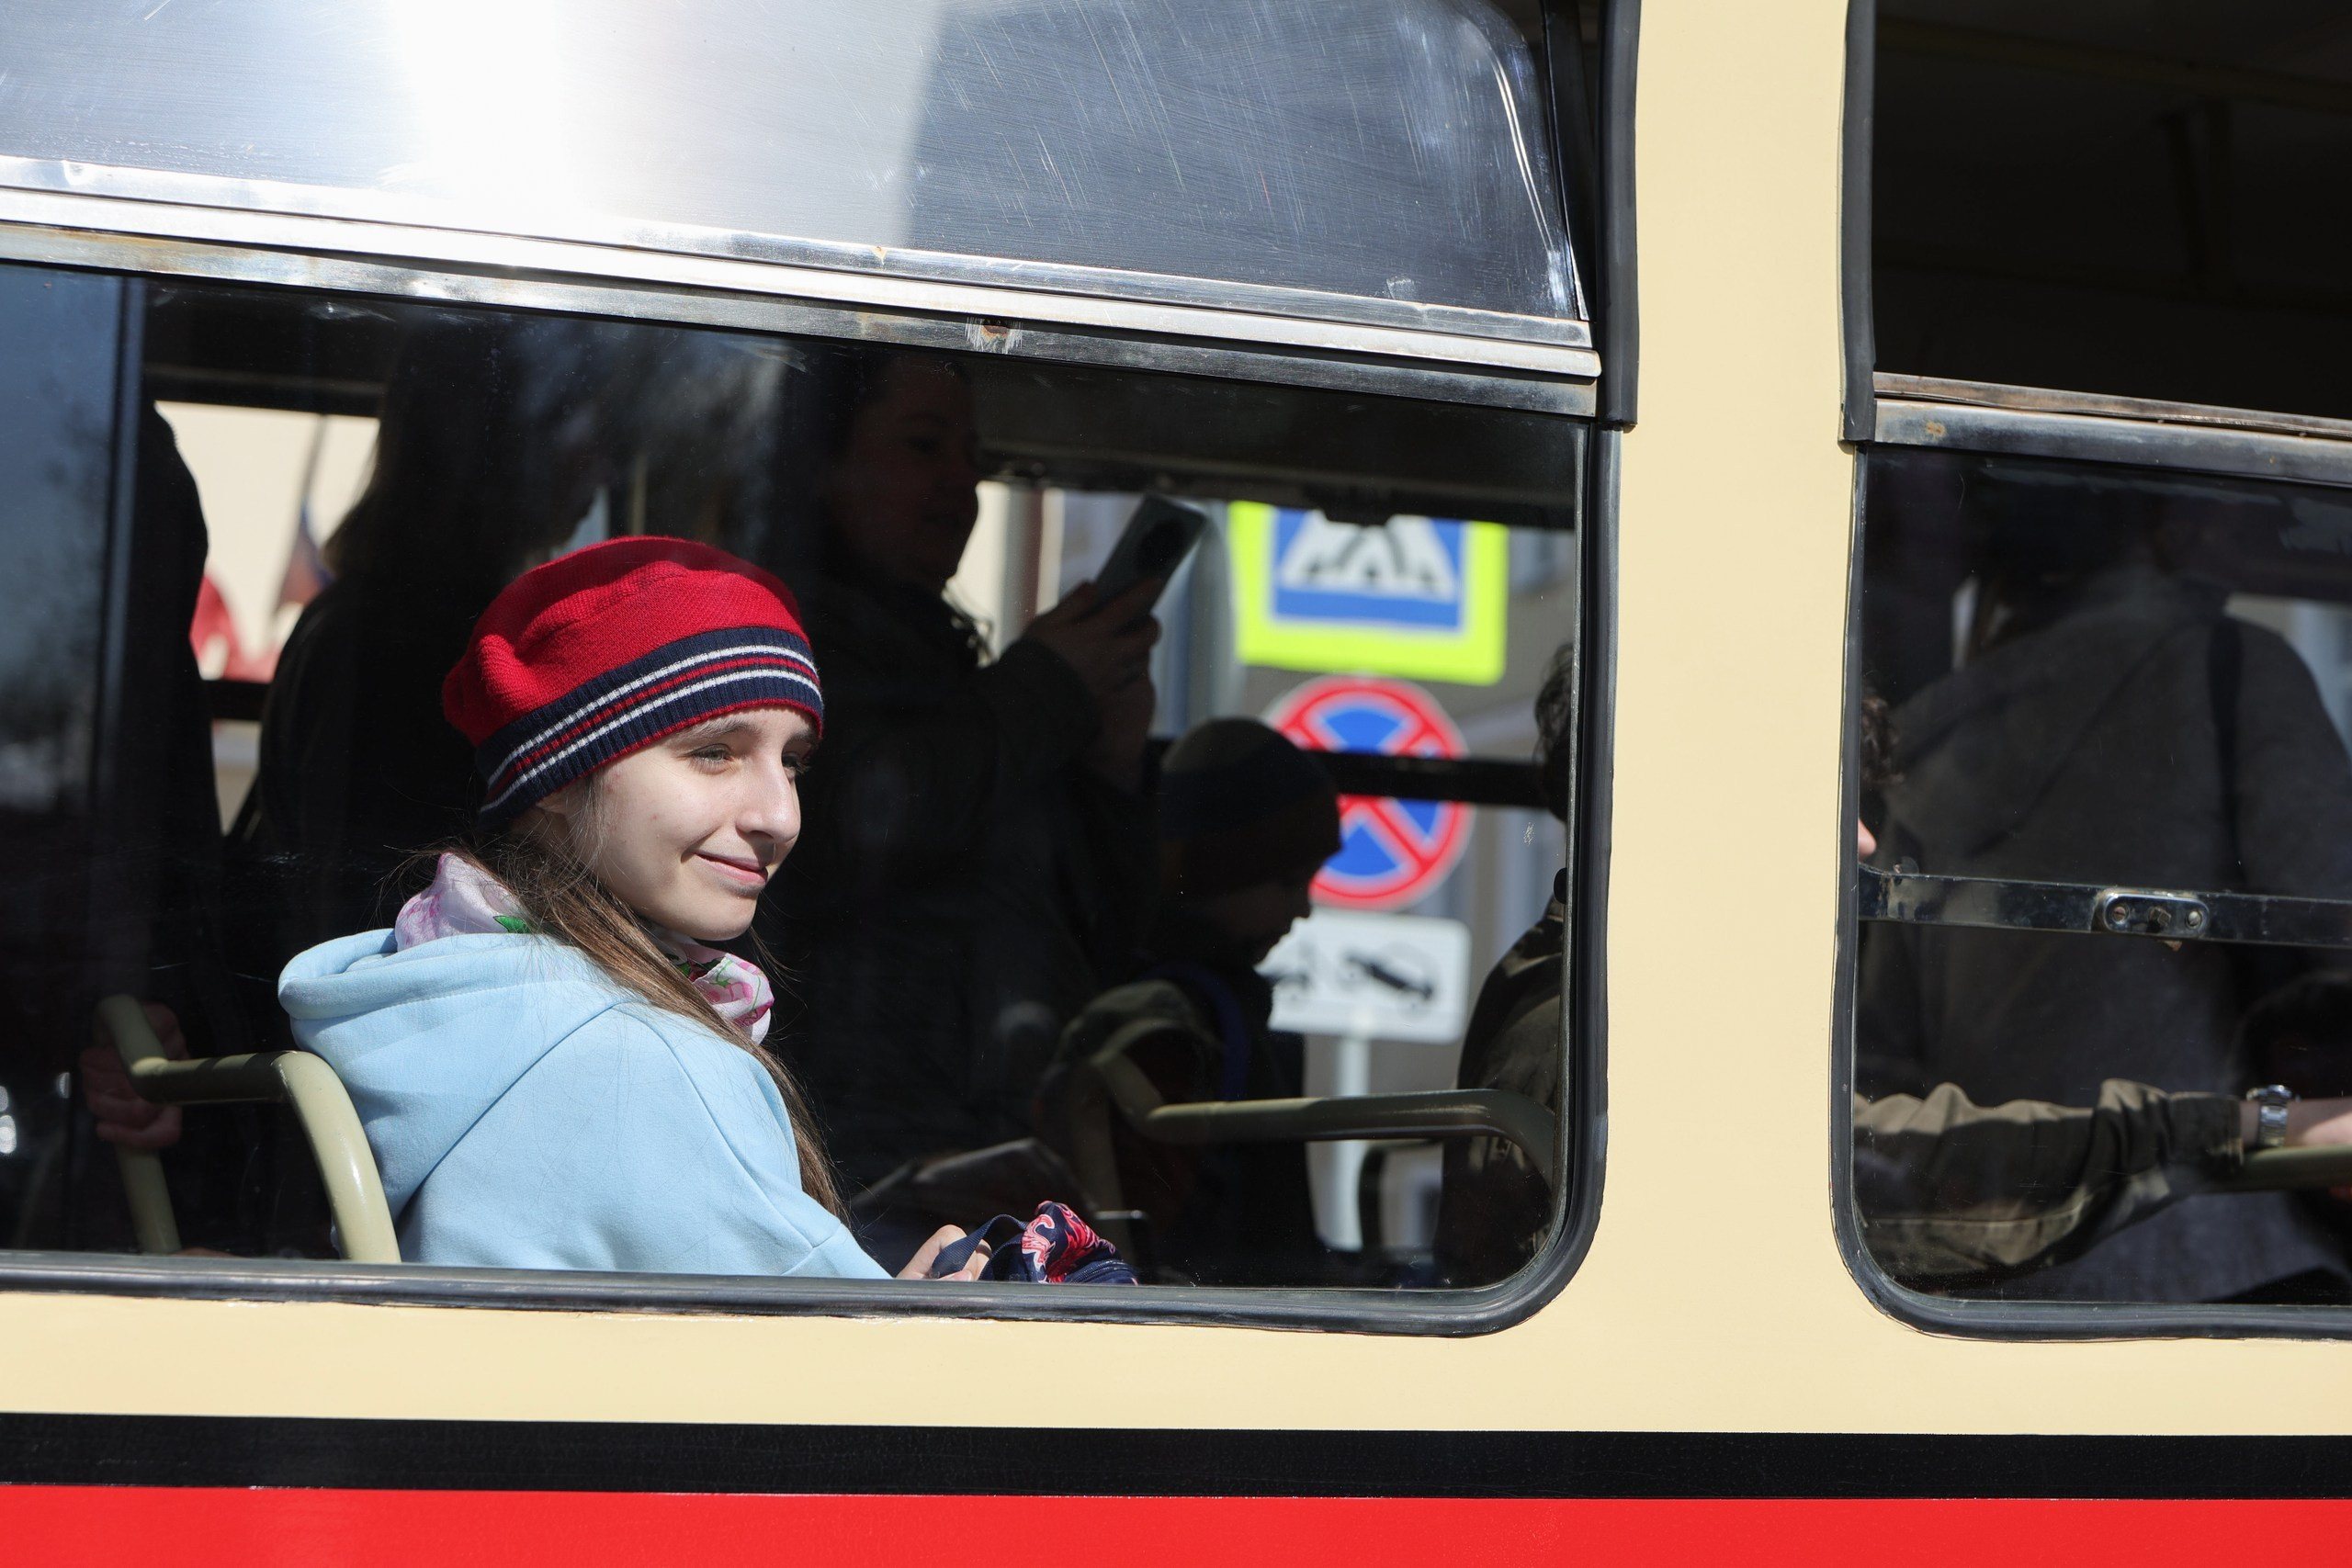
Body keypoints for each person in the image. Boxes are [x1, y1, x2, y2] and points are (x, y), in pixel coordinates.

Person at [266, 536, 982, 1280]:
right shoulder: (641, 1060)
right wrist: (928, 1309)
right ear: (557, 776)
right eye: (714, 751)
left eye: (792, 762)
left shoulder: (436, 987)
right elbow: (838, 1361)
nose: (782, 815)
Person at [1858, 478, 2352, 1302]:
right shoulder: (2230, 672)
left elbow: (1882, 1056)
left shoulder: (1931, 737)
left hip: (2005, 1266)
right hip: (2236, 1243)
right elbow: (2336, 908)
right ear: (2161, 528)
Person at [762, 347, 1162, 1235]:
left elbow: (1081, 922)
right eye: (922, 446)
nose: (961, 485)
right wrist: (1047, 685)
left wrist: (1110, 766)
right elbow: (863, 819)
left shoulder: (953, 662)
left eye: (974, 459)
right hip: (857, 1135)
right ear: (825, 466)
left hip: (980, 1130)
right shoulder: (783, 636)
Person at [1041, 717, 1340, 1285]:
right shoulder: (1170, 1032)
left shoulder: (1198, 1008)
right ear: (1222, 872)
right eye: (1288, 881)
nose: (1303, 910)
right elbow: (1153, 1245)